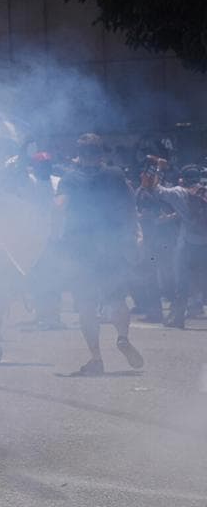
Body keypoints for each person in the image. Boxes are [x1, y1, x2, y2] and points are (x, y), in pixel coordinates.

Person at [53, 133, 144, 375]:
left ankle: (96, 358)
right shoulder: (116, 175)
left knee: (86, 304)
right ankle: (122, 337)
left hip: (81, 249)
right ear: (101, 153)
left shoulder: (70, 178)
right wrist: (133, 236)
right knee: (116, 298)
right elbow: (130, 206)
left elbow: (59, 206)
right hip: (111, 246)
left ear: (80, 154)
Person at [140, 162, 207, 329]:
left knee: (182, 281)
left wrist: (159, 168)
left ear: (182, 179)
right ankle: (196, 307)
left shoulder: (179, 192)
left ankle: (178, 317)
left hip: (187, 242)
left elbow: (155, 190)